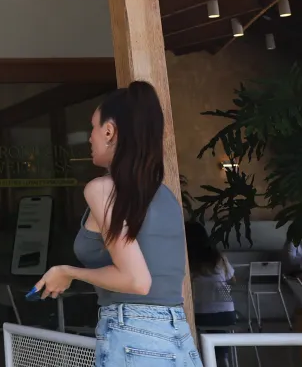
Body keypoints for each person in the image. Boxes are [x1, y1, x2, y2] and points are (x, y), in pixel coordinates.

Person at [33, 82, 199, 366]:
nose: (90, 138)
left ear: (109, 131)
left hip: (133, 335)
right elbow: (172, 280)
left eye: (93, 128)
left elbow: (136, 280)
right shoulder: (166, 196)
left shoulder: (102, 189)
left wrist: (67, 271)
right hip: (178, 336)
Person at [186, 221, 237, 326]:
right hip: (227, 313)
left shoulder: (186, 262)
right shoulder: (219, 257)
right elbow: (233, 281)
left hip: (200, 314)